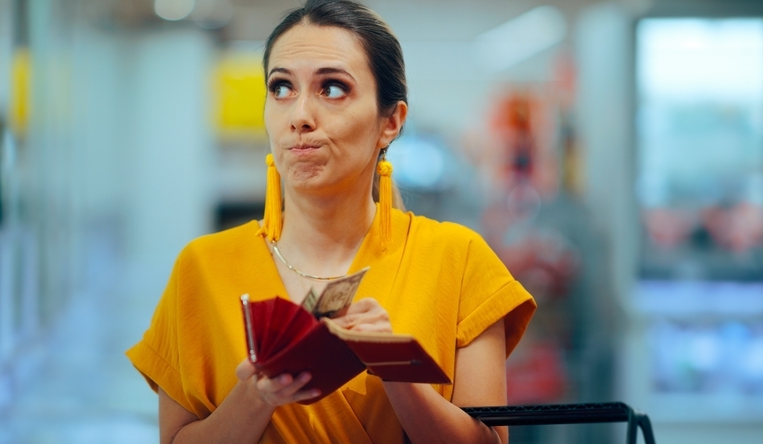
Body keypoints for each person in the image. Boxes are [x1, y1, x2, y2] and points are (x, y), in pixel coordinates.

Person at [126, 1, 536, 442]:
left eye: (333, 88)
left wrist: (398, 371)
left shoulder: (458, 260)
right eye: (281, 88)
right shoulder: (203, 268)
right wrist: (257, 398)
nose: (299, 115)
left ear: (390, 122)